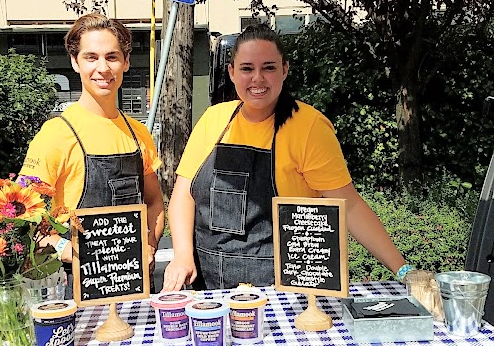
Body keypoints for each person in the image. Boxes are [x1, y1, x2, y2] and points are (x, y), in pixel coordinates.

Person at [163, 24, 412, 291]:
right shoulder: (214, 119)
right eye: (247, 68)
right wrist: (182, 255)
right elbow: (183, 194)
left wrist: (405, 270)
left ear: (285, 70)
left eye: (268, 67)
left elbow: (348, 206)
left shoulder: (309, 127)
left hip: (280, 290)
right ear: (232, 73)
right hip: (207, 285)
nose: (257, 78)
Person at [20, 13, 164, 273]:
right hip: (80, 287)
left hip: (136, 281)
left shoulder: (138, 133)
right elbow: (22, 214)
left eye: (112, 57)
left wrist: (150, 245)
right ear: (75, 62)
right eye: (91, 57)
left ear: (126, 62)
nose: (103, 68)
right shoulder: (56, 134)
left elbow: (154, 201)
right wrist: (64, 248)